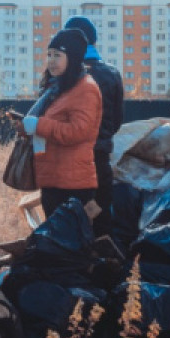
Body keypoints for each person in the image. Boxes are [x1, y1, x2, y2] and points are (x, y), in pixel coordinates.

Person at [19, 28, 103, 217]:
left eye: (57, 55)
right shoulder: (57, 88)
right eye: (49, 54)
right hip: (54, 179)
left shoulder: (85, 89)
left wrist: (39, 125)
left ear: (72, 57)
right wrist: (27, 127)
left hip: (73, 184)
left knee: (70, 242)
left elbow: (78, 131)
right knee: (57, 241)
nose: (51, 60)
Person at [64, 16, 125, 217]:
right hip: (99, 160)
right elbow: (116, 122)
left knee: (69, 222)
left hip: (68, 163)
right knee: (100, 219)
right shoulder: (111, 74)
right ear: (94, 41)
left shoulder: (62, 76)